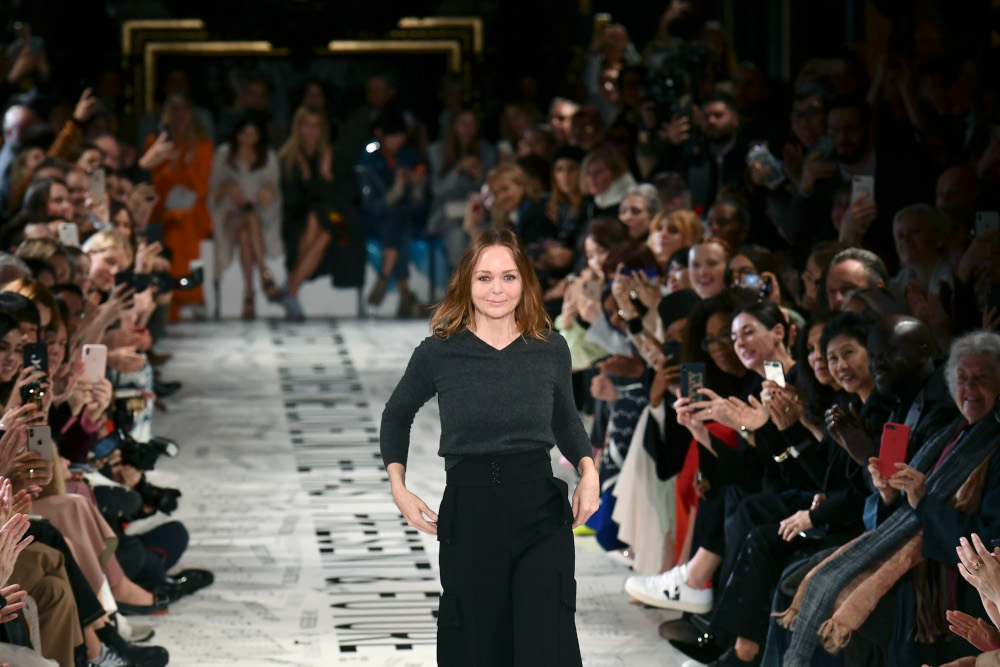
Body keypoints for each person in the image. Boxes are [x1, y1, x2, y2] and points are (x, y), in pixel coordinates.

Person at [379, 228, 599, 665]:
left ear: (525, 283)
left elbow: (566, 420)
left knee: (546, 644)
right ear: (466, 283)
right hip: (470, 512)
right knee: (479, 648)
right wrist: (398, 487)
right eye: (484, 278)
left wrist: (588, 471)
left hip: (539, 508)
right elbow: (396, 415)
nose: (497, 288)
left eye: (508, 277)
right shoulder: (439, 352)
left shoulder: (550, 348)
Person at [774, 330, 1000, 666]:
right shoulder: (951, 432)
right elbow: (901, 512)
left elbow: (985, 540)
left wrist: (922, 501)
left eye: (981, 378)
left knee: (837, 606)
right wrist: (889, 494)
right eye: (962, 378)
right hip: (909, 554)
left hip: (949, 581)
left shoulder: (989, 441)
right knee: (802, 581)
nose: (969, 388)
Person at [278, 106, 364, 321]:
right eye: (306, 125)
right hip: (297, 222)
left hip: (334, 219)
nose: (312, 131)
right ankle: (291, 289)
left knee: (324, 225)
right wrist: (307, 179)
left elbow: (344, 197)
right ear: (298, 128)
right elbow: (293, 203)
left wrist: (325, 175)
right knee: (316, 220)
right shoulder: (288, 159)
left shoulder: (333, 157)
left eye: (316, 126)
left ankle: (291, 287)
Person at [139, 93, 214, 321]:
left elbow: (200, 188)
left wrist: (188, 166)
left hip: (194, 210)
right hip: (161, 209)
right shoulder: (155, 144)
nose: (180, 116)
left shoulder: (202, 146)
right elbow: (153, 185)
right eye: (175, 110)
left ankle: (183, 295)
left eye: (184, 110)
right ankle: (184, 293)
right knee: (175, 221)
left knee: (182, 221)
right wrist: (171, 167)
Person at [207, 111, 283, 319]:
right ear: (237, 135)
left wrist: (266, 194)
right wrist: (230, 188)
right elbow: (213, 193)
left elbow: (274, 193)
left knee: (246, 230)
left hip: (259, 217)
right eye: (244, 133)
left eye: (253, 134)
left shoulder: (268, 158)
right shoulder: (224, 155)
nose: (249, 139)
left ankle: (248, 293)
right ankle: (265, 274)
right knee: (245, 221)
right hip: (228, 215)